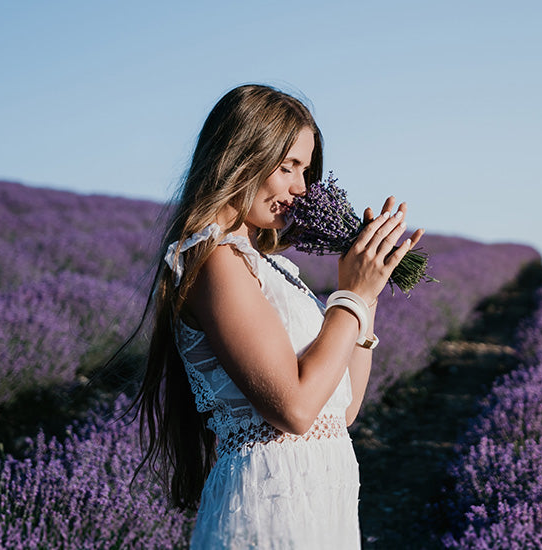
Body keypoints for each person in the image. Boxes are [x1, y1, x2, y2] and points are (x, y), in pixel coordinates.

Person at [131, 83, 423, 548]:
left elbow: (339, 411)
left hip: (319, 503)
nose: (300, 189)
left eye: (305, 170)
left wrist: (366, 297)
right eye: (287, 166)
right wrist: (350, 293)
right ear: (239, 156)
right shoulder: (215, 262)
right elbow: (295, 409)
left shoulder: (274, 268)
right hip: (268, 511)